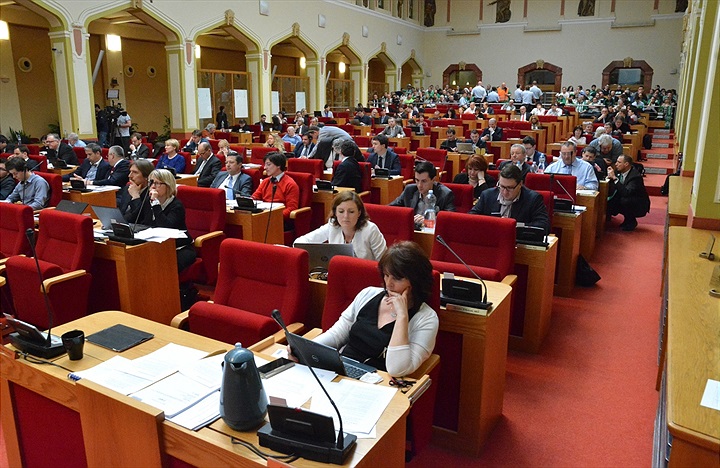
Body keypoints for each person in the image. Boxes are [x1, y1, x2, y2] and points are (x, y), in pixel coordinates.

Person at [308, 241, 439, 376]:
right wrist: (307, 349)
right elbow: (337, 335)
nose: (389, 284)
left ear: (415, 281)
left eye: (397, 278)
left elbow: (396, 369)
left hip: (380, 382)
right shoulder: (368, 294)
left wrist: (402, 316)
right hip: (343, 370)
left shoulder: (426, 318)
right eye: (386, 275)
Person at [294, 191, 387, 261]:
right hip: (340, 275)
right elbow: (299, 243)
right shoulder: (332, 225)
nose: (346, 216)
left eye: (351, 212)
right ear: (335, 213)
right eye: (341, 211)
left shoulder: (370, 230)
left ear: (359, 213)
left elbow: (385, 263)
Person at [135, 169, 196, 273]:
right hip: (156, 246)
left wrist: (155, 204)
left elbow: (166, 226)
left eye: (157, 183)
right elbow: (134, 218)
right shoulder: (148, 201)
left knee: (163, 265)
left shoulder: (176, 205)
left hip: (179, 248)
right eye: (151, 182)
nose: (153, 186)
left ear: (168, 186)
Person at [469, 164, 551, 235]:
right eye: (502, 186)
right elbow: (471, 218)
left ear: (520, 184)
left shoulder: (533, 199)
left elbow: (544, 225)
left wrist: (512, 225)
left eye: (509, 188)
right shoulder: (487, 195)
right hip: (491, 239)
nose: (504, 192)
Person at [390, 161, 455, 227]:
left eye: (424, 181)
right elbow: (390, 209)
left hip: (431, 233)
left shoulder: (445, 194)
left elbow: (450, 219)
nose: (419, 185)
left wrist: (428, 220)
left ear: (433, 180)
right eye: (417, 180)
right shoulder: (409, 190)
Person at [606, 154, 650, 231]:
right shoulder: (618, 170)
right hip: (626, 197)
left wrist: (615, 179)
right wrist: (608, 178)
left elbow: (626, 193)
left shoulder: (635, 177)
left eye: (619, 162)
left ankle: (631, 221)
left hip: (639, 203)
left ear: (626, 164)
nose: (616, 164)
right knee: (609, 200)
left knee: (625, 201)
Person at [251, 151, 299, 221]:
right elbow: (255, 197)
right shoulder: (265, 181)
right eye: (265, 165)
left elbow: (292, 208)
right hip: (264, 215)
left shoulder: (290, 184)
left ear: (278, 165)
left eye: (268, 164)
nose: (265, 167)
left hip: (280, 220)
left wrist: (274, 216)